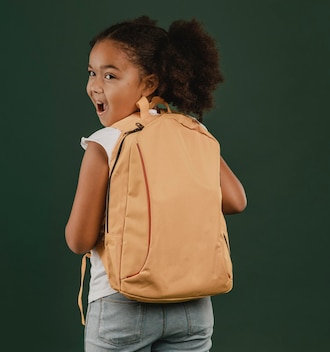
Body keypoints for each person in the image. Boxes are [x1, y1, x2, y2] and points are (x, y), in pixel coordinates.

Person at [65, 16, 247, 352]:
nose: (95, 86)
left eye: (110, 75)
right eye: (92, 73)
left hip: (123, 303)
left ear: (149, 83)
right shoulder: (193, 130)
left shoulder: (105, 142)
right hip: (192, 305)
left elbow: (79, 240)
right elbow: (236, 200)